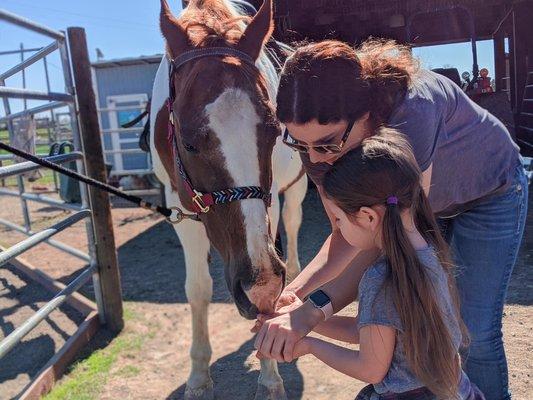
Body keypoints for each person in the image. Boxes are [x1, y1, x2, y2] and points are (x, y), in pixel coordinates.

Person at [253, 39, 527, 400]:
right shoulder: (318, 142)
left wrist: (312, 313)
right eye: (300, 144)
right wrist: (295, 294)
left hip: (490, 191)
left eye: (326, 144)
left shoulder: (412, 113)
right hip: (418, 206)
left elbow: (385, 235)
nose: (316, 160)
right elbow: (347, 232)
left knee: (475, 328)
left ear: (365, 113)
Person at [257, 132, 485, 399]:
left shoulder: (381, 277)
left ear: (367, 217)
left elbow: (371, 368)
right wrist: (303, 316)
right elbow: (370, 332)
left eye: (339, 220)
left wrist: (309, 346)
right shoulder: (427, 255)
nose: (337, 229)